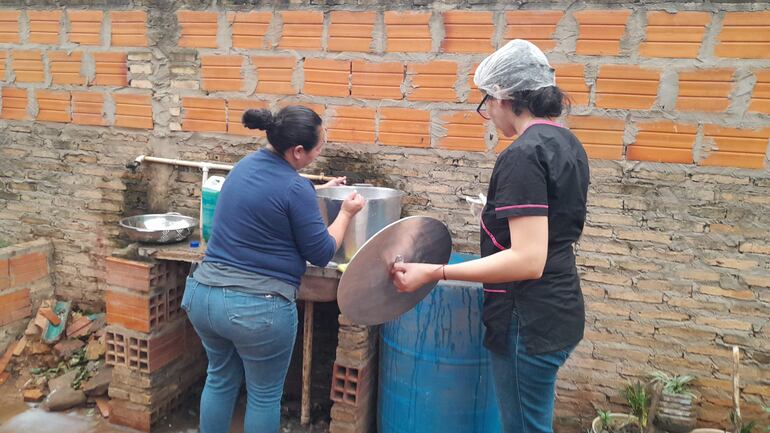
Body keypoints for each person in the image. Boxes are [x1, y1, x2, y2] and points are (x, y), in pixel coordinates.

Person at [392, 39, 590, 433]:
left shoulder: (522, 154)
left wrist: (435, 272)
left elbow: (527, 260)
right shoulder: (567, 142)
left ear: (502, 96)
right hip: (561, 308)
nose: (488, 113)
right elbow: (550, 232)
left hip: (528, 319)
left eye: (485, 102)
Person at [181, 105, 365, 433]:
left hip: (204, 296)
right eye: (319, 145)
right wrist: (347, 213)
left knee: (220, 379)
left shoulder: (244, 166)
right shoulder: (296, 189)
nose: (321, 150)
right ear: (297, 151)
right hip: (256, 308)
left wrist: (318, 191)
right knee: (264, 395)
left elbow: (272, 197)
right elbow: (322, 251)